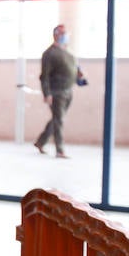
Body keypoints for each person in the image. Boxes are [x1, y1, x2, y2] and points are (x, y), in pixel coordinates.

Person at [34, 23, 84, 159]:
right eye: (63, 33)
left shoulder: (68, 51)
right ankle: (60, 150)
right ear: (56, 35)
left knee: (57, 119)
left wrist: (78, 75)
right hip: (57, 91)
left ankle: (40, 141)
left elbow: (75, 67)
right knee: (59, 120)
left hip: (68, 90)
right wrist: (47, 93)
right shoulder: (49, 54)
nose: (66, 36)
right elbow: (44, 76)